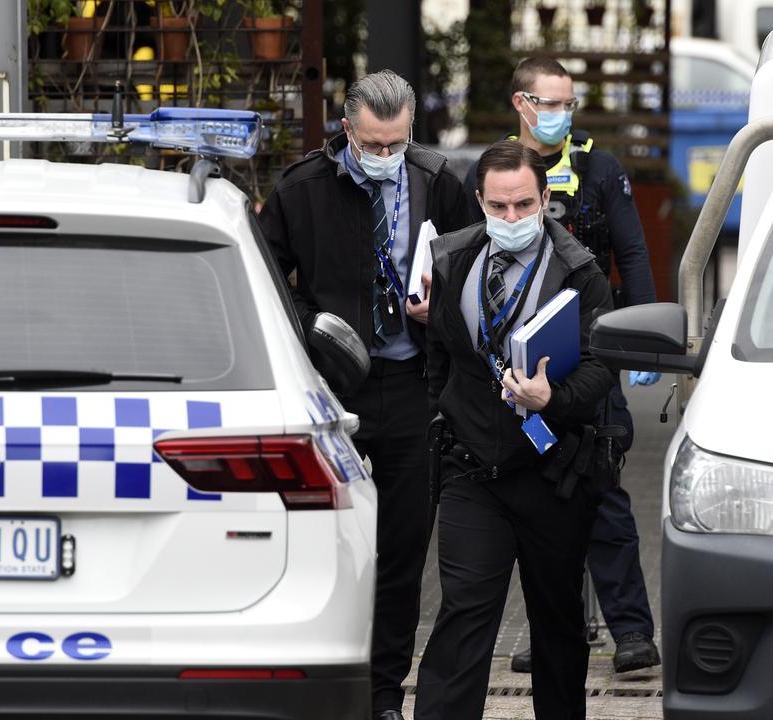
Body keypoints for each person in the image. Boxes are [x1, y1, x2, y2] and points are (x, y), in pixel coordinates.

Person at [258, 69, 468, 720]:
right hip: (329, 391)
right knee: (327, 548)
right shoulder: (301, 189)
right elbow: (267, 283)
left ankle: (382, 698)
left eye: (396, 144)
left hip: (411, 387)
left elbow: (473, 271)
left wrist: (445, 309)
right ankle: (322, 687)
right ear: (346, 129)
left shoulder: (439, 183)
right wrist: (315, 328)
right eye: (372, 144)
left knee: (402, 556)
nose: (384, 157)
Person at [463, 56, 663, 675]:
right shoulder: (497, 174)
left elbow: (630, 253)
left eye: (568, 104)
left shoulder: (599, 170)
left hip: (589, 359)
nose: (561, 116)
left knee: (601, 491)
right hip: (518, 364)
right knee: (531, 496)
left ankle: (630, 631)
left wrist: (645, 338)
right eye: (550, 104)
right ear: (522, 104)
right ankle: (554, 629)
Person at [415, 141, 614, 720]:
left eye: (524, 205)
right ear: (479, 201)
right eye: (498, 207)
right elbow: (440, 354)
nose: (511, 219)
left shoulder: (579, 270)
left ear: (545, 198)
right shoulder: (451, 259)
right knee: (463, 617)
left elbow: (604, 365)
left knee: (556, 625)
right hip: (471, 471)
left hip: (552, 471)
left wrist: (555, 399)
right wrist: (445, 415)